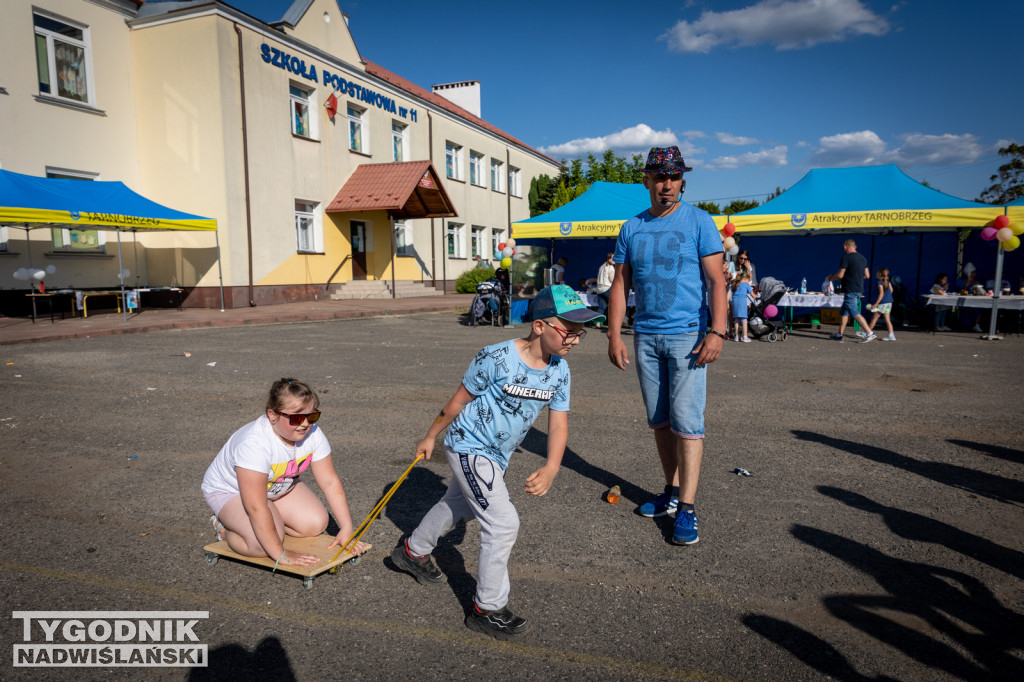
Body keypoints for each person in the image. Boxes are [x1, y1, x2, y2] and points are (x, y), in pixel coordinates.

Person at [391, 284, 604, 640]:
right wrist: (431, 435)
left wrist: (552, 466)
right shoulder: (495, 358)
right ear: (539, 326)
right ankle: (487, 609)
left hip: (497, 454)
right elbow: (458, 401)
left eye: (580, 332)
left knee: (460, 503)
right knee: (503, 523)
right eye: (568, 330)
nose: (576, 340)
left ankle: (412, 552)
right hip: (469, 445)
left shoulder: (560, 371)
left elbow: (559, 422)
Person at [606, 146, 727, 546]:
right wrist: (614, 333)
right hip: (645, 336)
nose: (667, 185)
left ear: (683, 182)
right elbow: (620, 284)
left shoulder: (700, 221)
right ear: (647, 181)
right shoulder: (632, 227)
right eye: (659, 177)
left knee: (688, 423)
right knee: (659, 421)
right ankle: (671, 494)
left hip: (688, 337)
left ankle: (688, 509)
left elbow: (716, 281)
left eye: (674, 178)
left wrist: (718, 330)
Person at [201, 378, 366, 571]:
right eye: (296, 418)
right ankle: (223, 526)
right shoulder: (254, 443)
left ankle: (271, 522)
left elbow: (329, 482)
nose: (305, 424)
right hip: (231, 492)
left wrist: (346, 528)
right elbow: (255, 506)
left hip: (275, 488)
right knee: (261, 545)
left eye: (312, 416)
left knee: (315, 524)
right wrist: (279, 553)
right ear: (273, 415)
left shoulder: (314, 434)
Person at [826, 239, 875, 343]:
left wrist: (830, 278)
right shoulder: (863, 258)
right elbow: (867, 275)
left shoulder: (846, 258)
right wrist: (855, 277)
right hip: (859, 289)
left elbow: (840, 275)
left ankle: (869, 333)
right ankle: (839, 335)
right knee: (844, 312)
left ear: (845, 247)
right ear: (855, 246)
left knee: (854, 312)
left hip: (850, 290)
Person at [865, 268, 896, 341]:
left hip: (882, 304)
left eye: (877, 272)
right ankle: (891, 335)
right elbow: (891, 290)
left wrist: (876, 303)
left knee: (874, 319)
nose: (876, 273)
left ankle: (867, 332)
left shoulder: (879, 282)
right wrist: (887, 297)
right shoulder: (888, 282)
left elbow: (881, 294)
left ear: (880, 274)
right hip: (889, 303)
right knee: (887, 320)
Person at [593, 252, 615, 325]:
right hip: (607, 288)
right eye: (613, 258)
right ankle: (613, 324)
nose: (615, 260)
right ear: (609, 258)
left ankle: (597, 323)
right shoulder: (611, 267)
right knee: (614, 306)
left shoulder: (601, 266)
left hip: (599, 289)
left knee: (601, 307)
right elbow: (612, 279)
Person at [731, 271, 754, 343]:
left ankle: (737, 336)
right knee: (744, 320)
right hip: (742, 303)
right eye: (748, 280)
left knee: (737, 320)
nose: (748, 282)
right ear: (746, 279)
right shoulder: (746, 285)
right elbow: (753, 295)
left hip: (735, 303)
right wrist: (756, 296)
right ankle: (745, 336)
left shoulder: (735, 284)